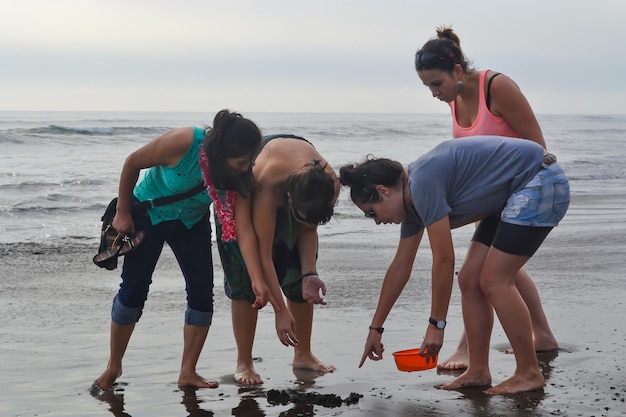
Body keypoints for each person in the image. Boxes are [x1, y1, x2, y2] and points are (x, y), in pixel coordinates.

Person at [340, 136, 569, 394]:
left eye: (372, 212)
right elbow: (400, 267)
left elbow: (444, 259)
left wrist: (436, 326)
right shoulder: (411, 204)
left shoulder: (422, 183)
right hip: (513, 192)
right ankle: (479, 371)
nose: (376, 221)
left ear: (383, 191)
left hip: (539, 180)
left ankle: (528, 372)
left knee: (494, 279)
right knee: (469, 278)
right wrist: (375, 329)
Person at [415, 26, 558, 370]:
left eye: (437, 84)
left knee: (484, 275)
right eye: (427, 87)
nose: (434, 93)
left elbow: (539, 148)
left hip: (525, 192)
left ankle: (469, 348)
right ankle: (541, 334)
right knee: (491, 272)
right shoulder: (455, 99)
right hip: (495, 201)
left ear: (458, 71)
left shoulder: (497, 87)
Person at [93, 110, 264, 391]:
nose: (247, 168)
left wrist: (256, 278)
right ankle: (113, 365)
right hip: (149, 215)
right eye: (243, 162)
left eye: (250, 161)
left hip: (191, 221)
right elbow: (133, 162)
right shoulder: (185, 142)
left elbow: (243, 230)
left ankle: (188, 371)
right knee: (133, 291)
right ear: (221, 153)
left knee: (201, 293)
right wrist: (122, 211)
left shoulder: (239, 176)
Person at [215, 134, 339, 385]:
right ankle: (244, 362)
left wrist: (309, 273)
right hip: (246, 195)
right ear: (290, 199)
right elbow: (262, 254)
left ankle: (303, 354)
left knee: (297, 280)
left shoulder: (329, 183)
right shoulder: (266, 182)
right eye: (299, 215)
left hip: (298, 189)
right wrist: (279, 311)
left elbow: (309, 228)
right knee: (247, 280)